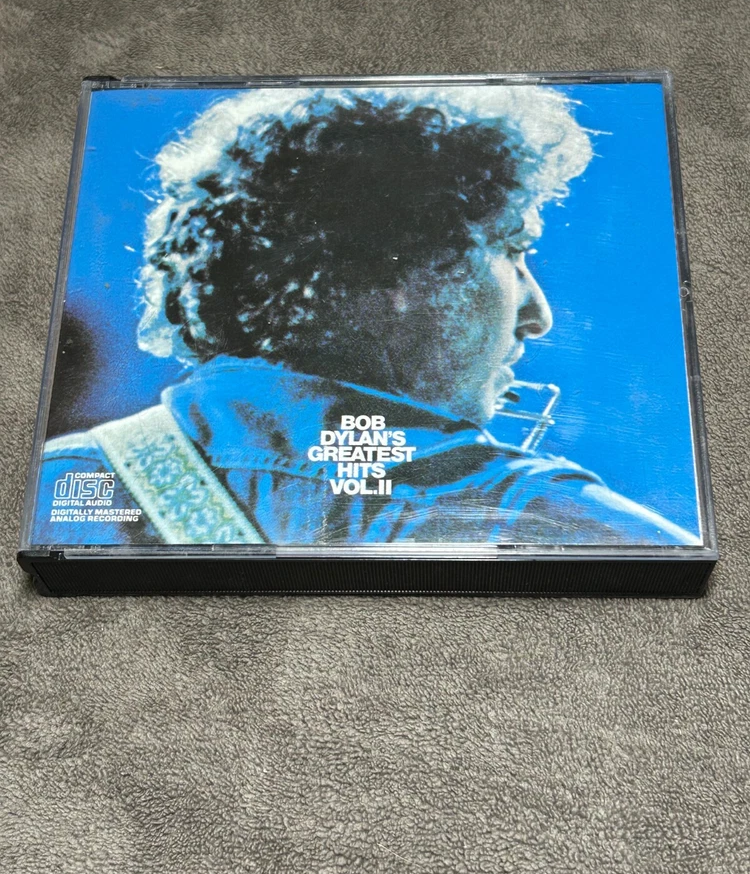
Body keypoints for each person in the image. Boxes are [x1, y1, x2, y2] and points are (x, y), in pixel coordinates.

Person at [35, 86, 700, 547]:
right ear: (394, 267)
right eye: (512, 249)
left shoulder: (53, 486)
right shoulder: (556, 524)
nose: (537, 313)